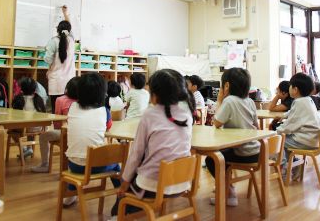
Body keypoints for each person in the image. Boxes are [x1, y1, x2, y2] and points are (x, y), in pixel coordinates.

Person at [113, 69, 195, 216]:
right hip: (182, 183)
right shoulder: (187, 113)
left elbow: (136, 154)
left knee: (123, 195)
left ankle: (116, 217)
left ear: (155, 95)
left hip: (154, 185)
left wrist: (124, 183)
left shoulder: (150, 114)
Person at [205, 68, 259, 207]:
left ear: (227, 85)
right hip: (256, 151)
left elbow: (216, 123)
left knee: (212, 159)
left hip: (241, 152)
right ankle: (225, 186)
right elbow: (256, 125)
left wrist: (219, 101)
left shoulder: (229, 101)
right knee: (222, 156)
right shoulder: (250, 101)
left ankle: (229, 193)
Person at [64, 73, 115, 207]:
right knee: (116, 165)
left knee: (77, 154)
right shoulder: (104, 110)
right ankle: (121, 195)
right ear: (102, 93)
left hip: (74, 165)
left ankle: (70, 196)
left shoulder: (72, 107)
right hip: (97, 165)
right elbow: (109, 127)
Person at [276, 73, 320, 178]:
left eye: (290, 86)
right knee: (284, 141)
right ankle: (294, 164)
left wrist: (277, 131)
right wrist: (284, 116)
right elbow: (293, 113)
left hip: (305, 140)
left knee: (277, 141)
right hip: (313, 139)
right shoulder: (308, 100)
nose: (289, 89)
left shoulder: (299, 103)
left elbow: (290, 125)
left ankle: (284, 167)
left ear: (295, 89)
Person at [31, 77, 78, 173]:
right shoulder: (84, 100)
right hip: (79, 134)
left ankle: (45, 164)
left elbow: (57, 122)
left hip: (64, 133)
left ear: (67, 88)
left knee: (43, 137)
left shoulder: (60, 100)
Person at [44, 5, 76, 109]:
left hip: (56, 82)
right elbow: (69, 27)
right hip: (70, 83)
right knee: (67, 110)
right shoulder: (71, 40)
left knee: (56, 111)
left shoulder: (53, 41)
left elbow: (47, 59)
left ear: (57, 29)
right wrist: (65, 13)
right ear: (69, 30)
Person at [12, 77, 47, 158]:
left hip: (24, 128)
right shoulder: (39, 99)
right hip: (38, 128)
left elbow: (15, 116)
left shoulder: (19, 99)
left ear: (21, 88)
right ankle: (29, 148)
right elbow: (44, 112)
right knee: (31, 124)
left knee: (10, 131)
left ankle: (24, 148)